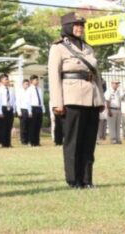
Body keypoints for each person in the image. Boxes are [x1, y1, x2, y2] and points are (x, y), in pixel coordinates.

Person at [48, 12, 104, 189]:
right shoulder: (58, 48)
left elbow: (96, 75)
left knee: (88, 142)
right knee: (73, 142)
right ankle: (74, 180)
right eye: (76, 25)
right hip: (71, 99)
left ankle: (87, 179)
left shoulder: (88, 48)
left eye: (82, 25)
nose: (80, 28)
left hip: (91, 98)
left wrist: (101, 99)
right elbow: (53, 76)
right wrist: (57, 102)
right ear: (67, 27)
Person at [0, 74, 15, 148]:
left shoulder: (10, 89)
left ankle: (8, 142)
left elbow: (13, 100)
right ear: (1, 81)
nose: (7, 80)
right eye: (5, 79)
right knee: (4, 127)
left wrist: (13, 109)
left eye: (7, 79)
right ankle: (4, 143)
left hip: (10, 108)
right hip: (3, 108)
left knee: (9, 126)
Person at [26, 75, 45, 147]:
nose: (37, 81)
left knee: (38, 126)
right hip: (33, 108)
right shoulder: (29, 90)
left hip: (39, 108)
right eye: (35, 80)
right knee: (32, 126)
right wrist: (29, 111)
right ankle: (31, 141)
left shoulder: (39, 89)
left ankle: (37, 141)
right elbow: (27, 101)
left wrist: (43, 109)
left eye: (37, 80)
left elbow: (41, 100)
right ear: (31, 81)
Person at [17, 80, 30, 145]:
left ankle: (28, 139)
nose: (26, 85)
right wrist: (19, 111)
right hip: (22, 109)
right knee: (23, 126)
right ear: (22, 85)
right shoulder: (20, 91)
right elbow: (18, 102)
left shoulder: (29, 91)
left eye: (28, 84)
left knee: (28, 125)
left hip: (28, 110)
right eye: (25, 84)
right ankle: (23, 140)